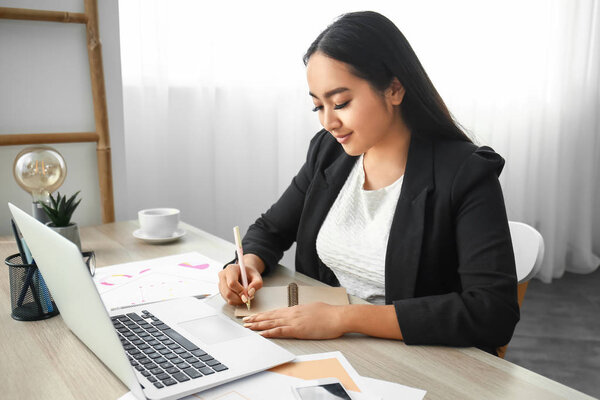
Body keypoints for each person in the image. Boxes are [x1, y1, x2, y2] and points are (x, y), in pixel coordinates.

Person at [218, 11, 519, 356]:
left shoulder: (465, 173)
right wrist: (245, 264)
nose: (329, 121)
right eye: (318, 106)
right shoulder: (328, 152)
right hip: (332, 347)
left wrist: (345, 319)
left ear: (393, 89)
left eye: (341, 102)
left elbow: (492, 312)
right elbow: (271, 229)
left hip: (421, 357)